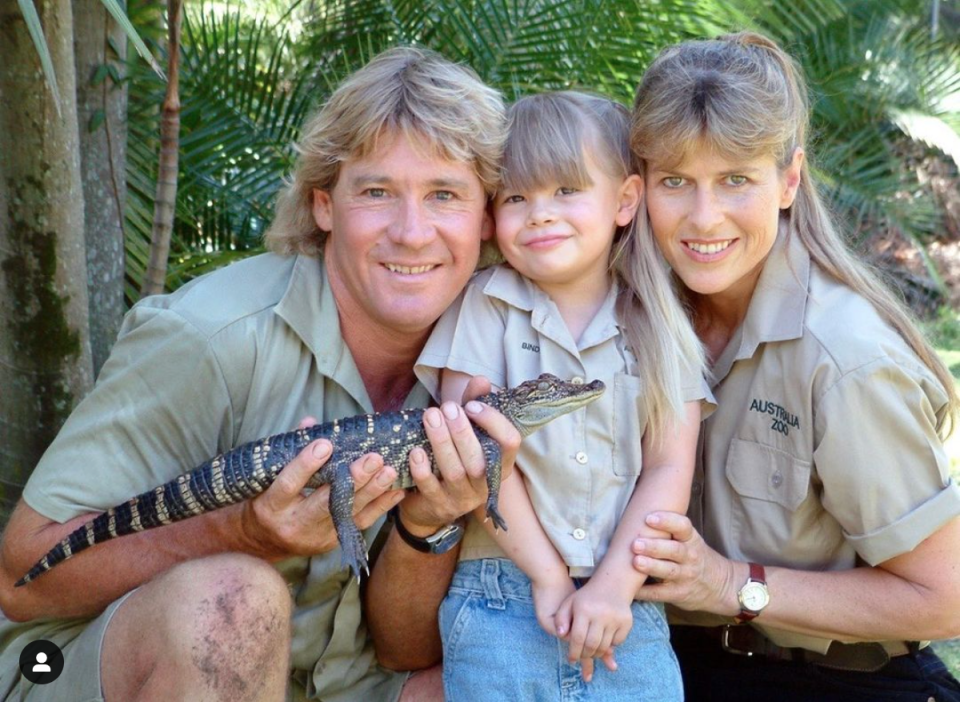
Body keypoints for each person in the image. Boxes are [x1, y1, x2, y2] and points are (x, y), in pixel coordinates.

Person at [0, 46, 521, 702]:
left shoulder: (486, 363)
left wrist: (430, 524)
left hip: (330, 685)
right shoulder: (210, 338)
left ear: (486, 215)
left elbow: (404, 652)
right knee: (233, 601)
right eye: (377, 192)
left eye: (444, 194)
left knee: (504, 669)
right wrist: (240, 532)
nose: (412, 232)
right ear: (325, 205)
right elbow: (21, 578)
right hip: (88, 666)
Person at [625, 31, 960, 701]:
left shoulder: (845, 357)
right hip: (676, 668)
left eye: (735, 180)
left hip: (835, 682)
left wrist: (727, 584)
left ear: (789, 181)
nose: (703, 216)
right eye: (675, 181)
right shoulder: (631, 320)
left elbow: (944, 597)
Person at [415, 91, 709, 701]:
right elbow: (475, 457)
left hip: (626, 602)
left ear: (625, 201)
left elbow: (668, 466)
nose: (540, 214)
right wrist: (548, 577)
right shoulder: (485, 306)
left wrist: (614, 587)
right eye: (517, 198)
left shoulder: (657, 321)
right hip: (498, 596)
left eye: (566, 191)